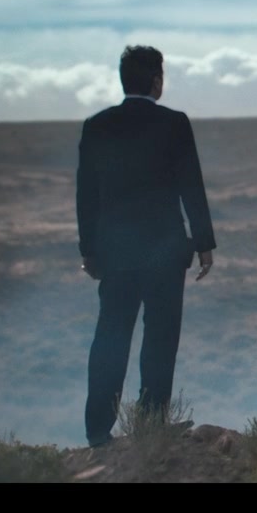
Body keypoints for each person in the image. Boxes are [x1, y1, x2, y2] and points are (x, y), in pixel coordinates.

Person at [76, 45, 216, 448]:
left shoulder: (97, 125)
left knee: (111, 337)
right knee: (160, 338)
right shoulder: (173, 123)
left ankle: (98, 430)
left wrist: (89, 250)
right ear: (157, 81)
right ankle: (151, 424)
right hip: (164, 249)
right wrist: (204, 242)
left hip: (116, 252)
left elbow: (86, 193)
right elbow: (191, 184)